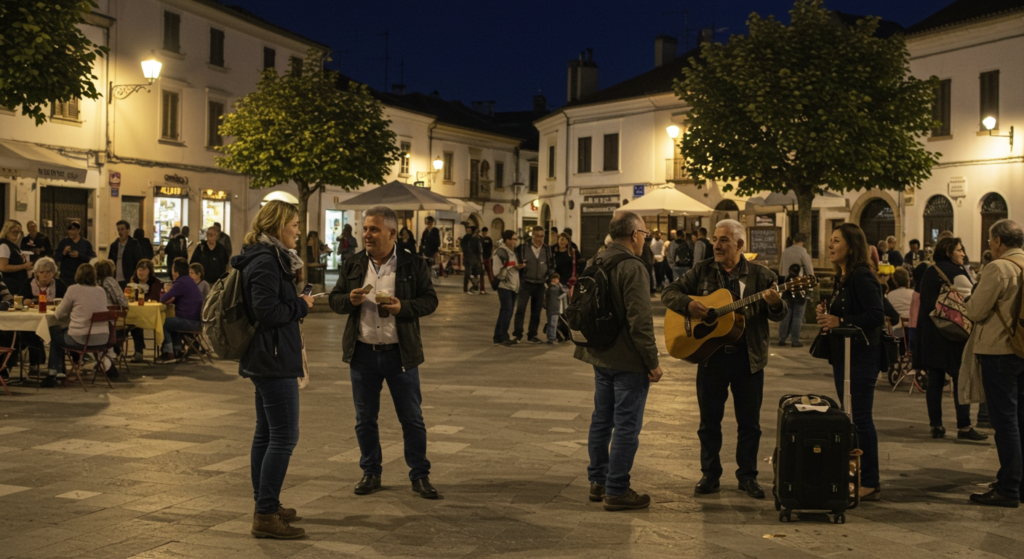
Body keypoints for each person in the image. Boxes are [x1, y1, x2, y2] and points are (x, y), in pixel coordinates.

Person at [663, 219, 786, 500]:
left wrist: (776, 303)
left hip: (749, 360)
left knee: (750, 424)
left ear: (740, 245)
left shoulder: (761, 275)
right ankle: (710, 474)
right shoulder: (702, 270)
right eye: (715, 240)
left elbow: (779, 313)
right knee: (709, 422)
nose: (716, 245)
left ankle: (748, 476)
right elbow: (670, 293)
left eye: (723, 241)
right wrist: (689, 304)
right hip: (711, 359)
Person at [329, 205, 441, 500]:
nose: (367, 234)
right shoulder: (354, 264)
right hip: (363, 353)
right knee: (365, 418)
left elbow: (430, 301)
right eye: (365, 229)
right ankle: (371, 471)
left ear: (392, 233)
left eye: (374, 229)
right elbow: (335, 299)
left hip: (400, 353)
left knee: (412, 418)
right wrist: (349, 301)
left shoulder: (411, 264)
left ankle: (419, 475)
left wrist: (402, 307)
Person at [230, 200, 311, 538]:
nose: (298, 230)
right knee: (284, 435)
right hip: (272, 358)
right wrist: (301, 305)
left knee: (266, 433)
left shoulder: (268, 257)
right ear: (279, 226)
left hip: (268, 355)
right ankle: (265, 514)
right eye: (294, 224)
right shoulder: (265, 260)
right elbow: (266, 310)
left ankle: (267, 502)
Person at [577, 211, 663, 511]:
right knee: (627, 425)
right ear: (635, 235)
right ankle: (617, 489)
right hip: (627, 359)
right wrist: (652, 361)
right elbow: (640, 321)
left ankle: (598, 482)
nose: (646, 240)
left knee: (602, 419)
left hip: (600, 353)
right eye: (645, 235)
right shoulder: (632, 266)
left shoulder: (595, 260)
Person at [815, 223, 885, 501]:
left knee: (861, 418)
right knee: (851, 417)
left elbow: (876, 315)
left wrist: (841, 321)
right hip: (843, 356)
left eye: (836, 241)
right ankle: (855, 473)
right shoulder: (842, 276)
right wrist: (827, 313)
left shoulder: (861, 276)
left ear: (852, 245)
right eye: (829, 241)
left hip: (861, 358)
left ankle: (870, 480)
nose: (830, 246)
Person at [962, 219, 1024, 507]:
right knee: (1020, 418)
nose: (989, 244)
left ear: (999, 241)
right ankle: (1019, 484)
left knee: (1005, 421)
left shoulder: (998, 268)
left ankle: (1008, 487)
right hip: (1022, 349)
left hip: (999, 351)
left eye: (990, 240)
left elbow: (975, 310)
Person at [915, 236, 986, 442]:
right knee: (960, 380)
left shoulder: (930, 271)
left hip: (931, 333)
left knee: (935, 381)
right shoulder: (959, 272)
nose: (963, 253)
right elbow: (970, 300)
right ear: (948, 252)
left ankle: (936, 425)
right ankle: (964, 426)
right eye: (959, 250)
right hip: (953, 334)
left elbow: (925, 302)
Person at [44, 264, 112, 387]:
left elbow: (59, 314)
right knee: (63, 334)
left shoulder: (73, 289)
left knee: (54, 334)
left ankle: (53, 373)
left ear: (77, 275)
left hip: (82, 339)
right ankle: (60, 371)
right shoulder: (101, 291)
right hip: (102, 339)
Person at [18, 257, 67, 375]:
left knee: (58, 332)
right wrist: (26, 301)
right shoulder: (28, 284)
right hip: (32, 319)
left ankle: (58, 368)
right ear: (36, 274)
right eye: (42, 272)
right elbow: (22, 300)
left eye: (49, 272)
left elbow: (66, 302)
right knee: (30, 332)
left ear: (54, 273)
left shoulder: (59, 284)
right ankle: (35, 364)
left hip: (54, 320)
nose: (45, 275)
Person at [513, 226, 553, 343]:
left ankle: (532, 335)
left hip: (540, 284)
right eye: (538, 236)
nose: (540, 239)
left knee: (536, 311)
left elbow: (551, 265)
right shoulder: (522, 248)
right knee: (521, 309)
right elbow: (516, 263)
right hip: (525, 283)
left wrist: (549, 278)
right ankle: (518, 334)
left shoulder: (547, 249)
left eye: (542, 236)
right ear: (533, 236)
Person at [158, 257, 203, 361]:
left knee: (164, 322)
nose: (172, 272)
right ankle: (178, 350)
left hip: (191, 322)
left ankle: (168, 351)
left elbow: (163, 298)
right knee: (173, 322)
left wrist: (166, 290)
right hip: (196, 320)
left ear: (176, 271)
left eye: (173, 269)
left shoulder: (181, 283)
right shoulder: (188, 281)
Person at [493, 230, 525, 345]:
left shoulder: (512, 252)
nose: (515, 241)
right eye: (513, 239)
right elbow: (497, 271)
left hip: (513, 285)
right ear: (507, 240)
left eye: (516, 239)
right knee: (507, 311)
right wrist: (512, 267)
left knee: (505, 311)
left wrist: (517, 267)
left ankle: (498, 336)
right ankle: (503, 336)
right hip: (504, 286)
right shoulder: (500, 252)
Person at [127, 259, 163, 362]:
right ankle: (134, 351)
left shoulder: (155, 283)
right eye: (139, 269)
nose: (140, 272)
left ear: (150, 271)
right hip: (136, 313)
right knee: (133, 321)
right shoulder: (133, 281)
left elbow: (154, 297)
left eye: (144, 269)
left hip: (150, 314)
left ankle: (139, 351)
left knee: (137, 321)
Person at [55, 221, 95, 286]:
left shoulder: (86, 243)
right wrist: (64, 253)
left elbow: (92, 259)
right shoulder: (64, 242)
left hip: (81, 276)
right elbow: (56, 257)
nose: (71, 232)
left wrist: (79, 255)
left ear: (79, 230)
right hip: (66, 277)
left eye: (73, 229)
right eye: (69, 229)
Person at [0, 220, 33, 295]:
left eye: (18, 232)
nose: (16, 234)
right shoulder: (4, 246)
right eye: (14, 232)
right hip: (10, 285)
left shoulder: (13, 246)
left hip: (18, 283)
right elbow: (3, 267)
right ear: (7, 230)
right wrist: (24, 266)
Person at [109, 220, 142, 289]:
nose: (120, 232)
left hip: (128, 278)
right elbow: (110, 261)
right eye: (118, 229)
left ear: (128, 230)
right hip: (116, 278)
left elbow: (138, 261)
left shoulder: (134, 244)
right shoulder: (114, 245)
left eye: (122, 229)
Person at [887, 268, 914, 338]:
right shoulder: (914, 294)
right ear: (908, 280)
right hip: (914, 329)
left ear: (894, 281)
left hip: (897, 332)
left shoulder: (890, 295)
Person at [460, 224, 484, 294]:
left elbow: (479, 250)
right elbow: (463, 245)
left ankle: (474, 288)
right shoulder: (467, 237)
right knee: (468, 273)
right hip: (469, 258)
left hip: (475, 259)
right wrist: (467, 253)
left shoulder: (477, 239)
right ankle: (466, 289)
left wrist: (480, 259)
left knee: (477, 273)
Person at [545, 273, 567, 344]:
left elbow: (565, 292)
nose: (557, 280)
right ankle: (551, 338)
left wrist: (559, 297)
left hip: (553, 309)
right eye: (555, 279)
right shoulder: (552, 288)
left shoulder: (555, 288)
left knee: (552, 324)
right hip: (552, 308)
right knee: (551, 324)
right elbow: (565, 291)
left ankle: (551, 338)